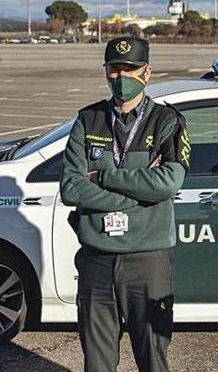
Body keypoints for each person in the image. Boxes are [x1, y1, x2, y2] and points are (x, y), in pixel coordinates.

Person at [59, 36, 190, 372]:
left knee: (153, 359)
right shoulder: (88, 121)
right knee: (97, 363)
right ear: (105, 72)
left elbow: (168, 183)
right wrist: (140, 190)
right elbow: (71, 189)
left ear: (146, 73)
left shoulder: (167, 121)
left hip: (148, 263)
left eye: (130, 69)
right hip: (97, 262)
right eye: (114, 69)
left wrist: (103, 178)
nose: (121, 77)